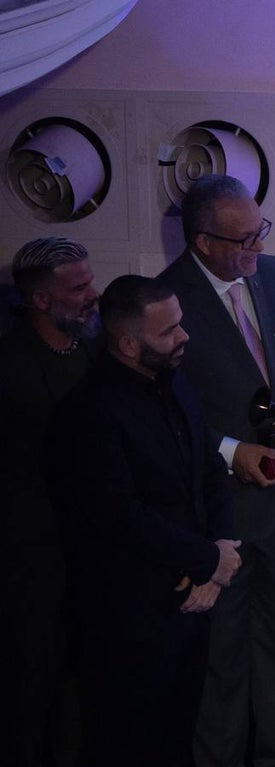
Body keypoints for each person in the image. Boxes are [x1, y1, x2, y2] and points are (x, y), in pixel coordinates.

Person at [158, 174, 275, 767]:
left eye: (261, 231)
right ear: (203, 242)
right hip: (219, 513)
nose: (258, 247)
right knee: (222, 659)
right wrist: (232, 450)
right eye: (244, 240)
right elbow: (162, 415)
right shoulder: (166, 299)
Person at [44, 275, 240, 767]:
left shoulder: (178, 385)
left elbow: (211, 472)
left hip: (189, 601)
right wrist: (207, 559)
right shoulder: (89, 411)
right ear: (129, 344)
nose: (184, 336)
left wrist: (217, 557)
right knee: (129, 744)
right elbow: (120, 516)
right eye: (169, 330)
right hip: (128, 618)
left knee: (178, 737)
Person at [0, 237, 100, 767]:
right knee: (29, 692)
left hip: (94, 557)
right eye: (79, 287)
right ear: (41, 299)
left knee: (82, 693)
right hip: (30, 565)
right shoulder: (9, 366)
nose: (93, 294)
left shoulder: (97, 353)